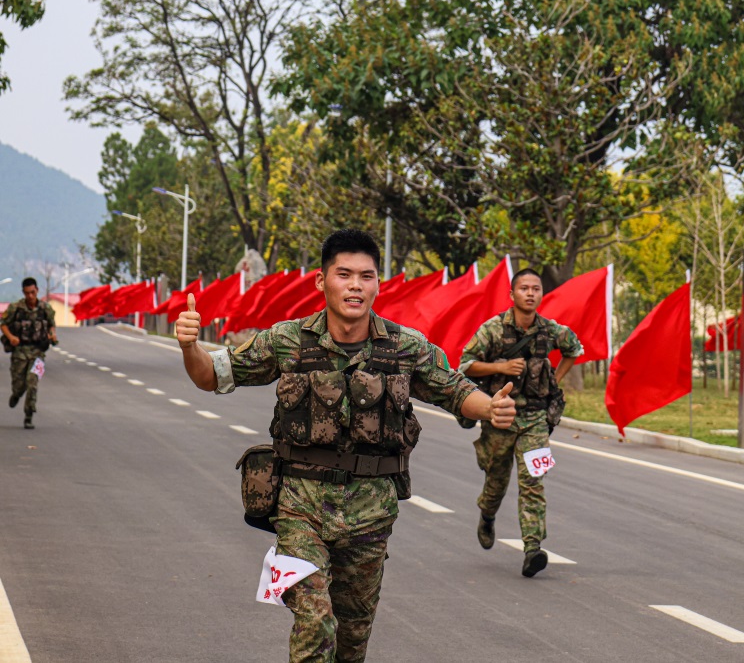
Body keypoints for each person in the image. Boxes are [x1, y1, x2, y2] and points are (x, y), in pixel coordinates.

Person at [175, 229, 515, 663]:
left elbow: (452, 388)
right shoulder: (287, 340)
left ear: (378, 284)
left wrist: (490, 409)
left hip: (371, 512)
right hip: (299, 506)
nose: (355, 285)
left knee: (352, 641)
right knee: (315, 622)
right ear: (322, 282)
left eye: (366, 276)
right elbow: (211, 376)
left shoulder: (404, 347)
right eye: (344, 274)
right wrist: (190, 347)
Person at [459, 268, 582, 577]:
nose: (530, 293)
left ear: (541, 294)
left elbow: (574, 350)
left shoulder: (550, 330)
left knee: (533, 483)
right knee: (496, 481)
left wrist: (555, 379)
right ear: (512, 295)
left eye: (535, 288)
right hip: (500, 417)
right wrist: (500, 366)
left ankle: (533, 548)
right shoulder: (493, 329)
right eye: (524, 288)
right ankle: (487, 515)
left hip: (535, 420)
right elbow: (466, 365)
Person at [2, 278, 57, 429]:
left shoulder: (45, 308)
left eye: (33, 292)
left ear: (37, 291)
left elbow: (52, 325)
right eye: (27, 293)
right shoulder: (16, 308)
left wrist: (52, 335)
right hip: (20, 352)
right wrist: (11, 337)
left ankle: (29, 415)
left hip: (39, 352)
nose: (31, 296)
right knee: (19, 385)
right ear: (23, 293)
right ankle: (16, 395)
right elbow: (3, 324)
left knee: (32, 383)